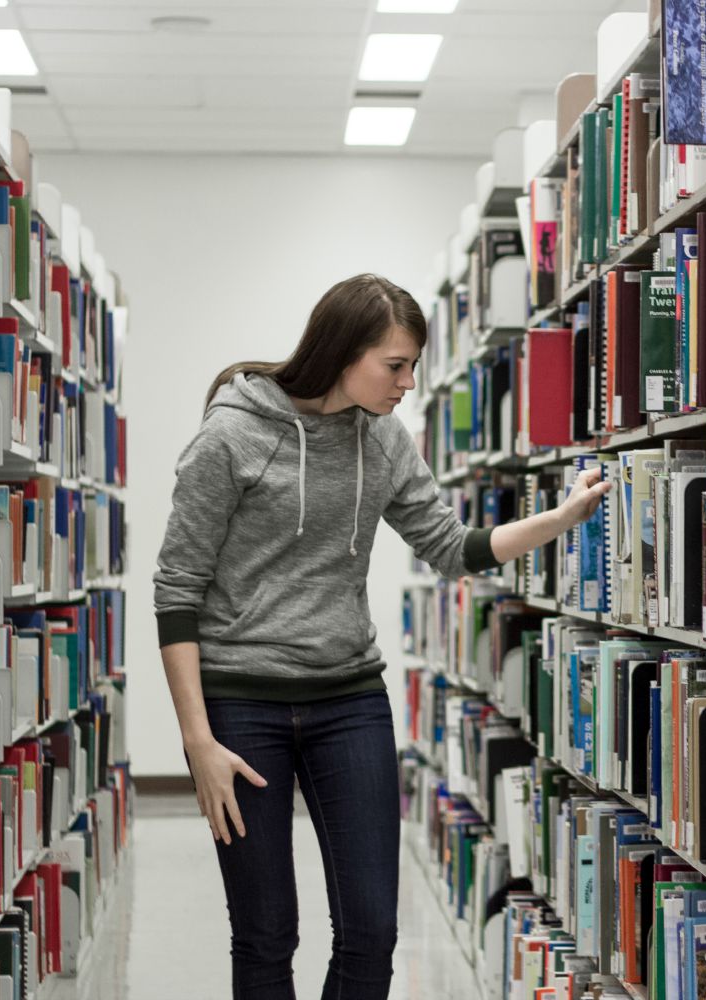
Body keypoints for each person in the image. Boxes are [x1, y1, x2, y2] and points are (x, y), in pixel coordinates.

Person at [152, 273, 609, 1000]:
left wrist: (558, 522)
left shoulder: (386, 441)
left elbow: (452, 546)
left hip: (349, 701)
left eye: (413, 367)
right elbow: (177, 595)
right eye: (394, 366)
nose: (407, 383)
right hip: (241, 707)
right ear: (342, 353)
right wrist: (198, 743)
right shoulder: (232, 436)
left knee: (371, 931)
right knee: (266, 935)